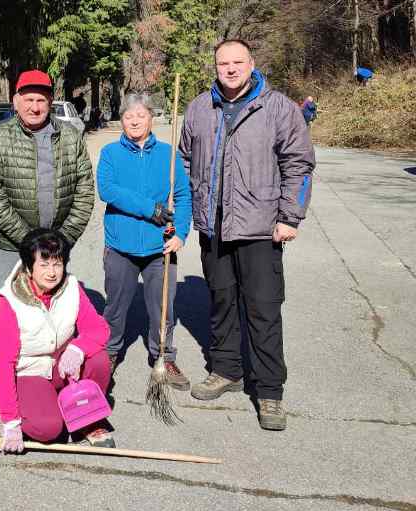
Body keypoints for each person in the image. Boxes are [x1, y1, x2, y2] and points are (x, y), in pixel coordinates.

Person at [178, 39, 314, 431]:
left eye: (238, 62)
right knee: (221, 302)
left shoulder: (279, 109)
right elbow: (185, 161)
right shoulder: (200, 108)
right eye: (224, 63)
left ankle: (269, 390)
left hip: (260, 229)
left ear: (252, 63)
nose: (231, 69)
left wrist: (290, 216)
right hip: (214, 226)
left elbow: (299, 165)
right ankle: (226, 370)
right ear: (215, 66)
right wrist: (185, 208)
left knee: (263, 308)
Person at [0, 69, 95, 348]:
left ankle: (53, 372)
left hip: (56, 245)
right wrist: (28, 241)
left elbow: (84, 189)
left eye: (41, 100)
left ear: (50, 101)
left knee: (56, 313)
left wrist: (62, 240)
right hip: (11, 245)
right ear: (15, 102)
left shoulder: (69, 137)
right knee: (7, 310)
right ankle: (1, 376)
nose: (34, 107)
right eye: (28, 99)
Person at [97, 92, 192, 386]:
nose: (134, 120)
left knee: (163, 308)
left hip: (159, 247)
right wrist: (151, 209)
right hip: (120, 246)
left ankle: (164, 356)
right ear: (121, 121)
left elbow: (183, 196)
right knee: (115, 306)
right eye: (128, 116)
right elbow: (108, 190)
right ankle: (109, 354)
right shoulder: (111, 154)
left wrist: (181, 233)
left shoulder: (169, 155)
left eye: (140, 115)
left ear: (152, 117)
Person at [0, 229, 113, 451]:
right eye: (44, 264)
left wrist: (77, 349)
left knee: (99, 360)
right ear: (29, 267)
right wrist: (11, 421)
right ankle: (43, 404)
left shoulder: (72, 288)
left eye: (57, 264)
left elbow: (98, 329)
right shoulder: (10, 301)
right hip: (31, 371)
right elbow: (2, 363)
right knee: (47, 429)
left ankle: (87, 420)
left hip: (65, 365)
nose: (52, 272)